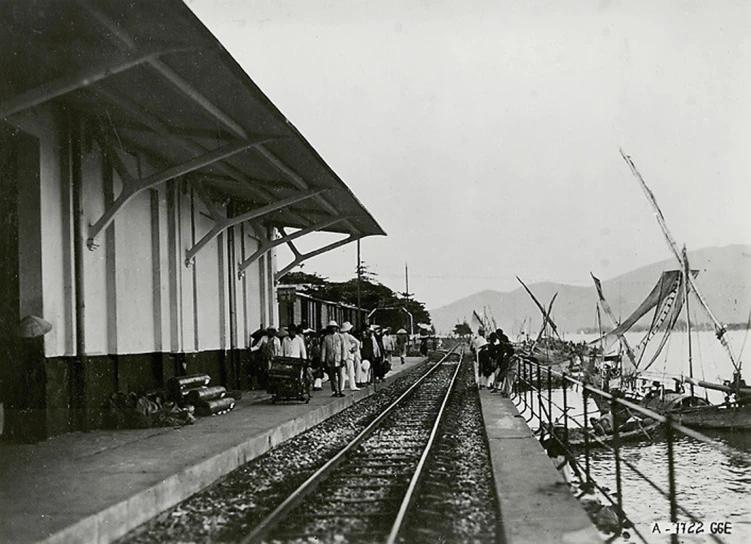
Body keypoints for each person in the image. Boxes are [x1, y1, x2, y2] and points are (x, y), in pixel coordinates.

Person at [320, 320, 346, 397]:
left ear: (336, 328)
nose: (332, 329)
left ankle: (341, 389)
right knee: (332, 376)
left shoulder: (340, 337)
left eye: (334, 327)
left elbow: (343, 348)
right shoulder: (326, 338)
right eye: (331, 327)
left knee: (340, 374)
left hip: (338, 358)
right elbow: (324, 349)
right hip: (330, 359)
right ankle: (335, 390)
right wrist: (323, 360)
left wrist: (343, 359)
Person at [340, 321, 360, 391]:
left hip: (341, 355)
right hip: (349, 355)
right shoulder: (349, 336)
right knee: (350, 371)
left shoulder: (339, 336)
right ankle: (352, 386)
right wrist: (354, 349)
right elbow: (357, 342)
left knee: (342, 372)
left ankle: (341, 387)